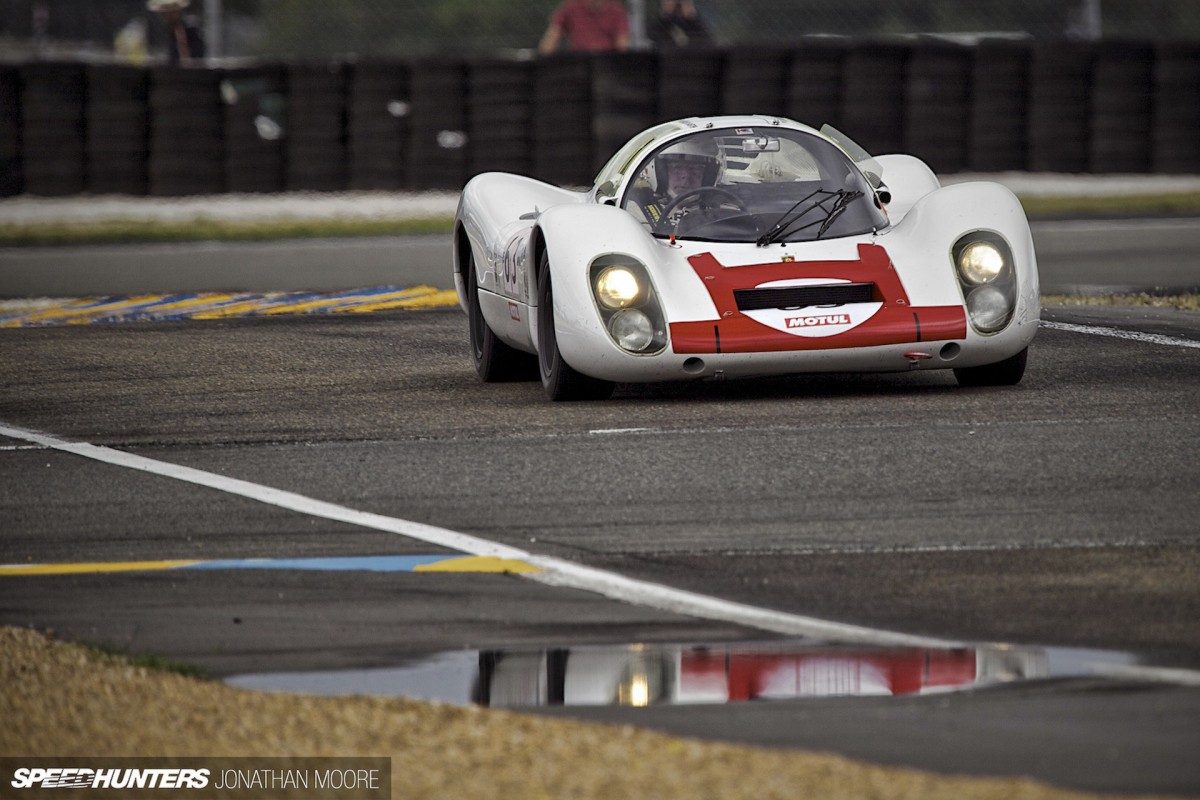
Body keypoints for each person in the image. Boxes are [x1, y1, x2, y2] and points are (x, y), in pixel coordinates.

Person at [625, 137, 722, 228]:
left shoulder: (724, 212)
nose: (686, 176)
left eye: (695, 168)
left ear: (709, 175)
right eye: (677, 167)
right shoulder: (635, 211)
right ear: (659, 171)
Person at [539, 0, 629, 54]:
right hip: (578, 64)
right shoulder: (572, 7)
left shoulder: (616, 12)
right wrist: (544, 61)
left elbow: (622, 46)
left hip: (606, 65)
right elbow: (552, 36)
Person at [147, 0, 205, 65]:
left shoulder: (191, 28)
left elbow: (196, 57)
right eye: (164, 13)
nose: (167, 15)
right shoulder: (162, 31)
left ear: (179, 11)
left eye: (172, 12)